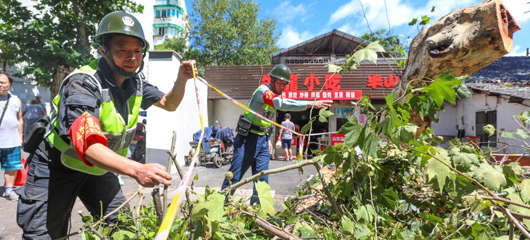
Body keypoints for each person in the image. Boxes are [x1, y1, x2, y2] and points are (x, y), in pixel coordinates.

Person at [16, 12, 196, 239]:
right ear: (103, 50)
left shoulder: (136, 82)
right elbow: (88, 145)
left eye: (137, 51)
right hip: (55, 167)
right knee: (43, 235)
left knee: (124, 229)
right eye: (122, 50)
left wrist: (181, 79)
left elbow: (168, 103)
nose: (132, 57)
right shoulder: (83, 83)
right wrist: (137, 169)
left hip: (99, 169)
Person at [221, 64, 332, 205]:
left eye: (285, 84)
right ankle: (221, 206)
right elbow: (279, 103)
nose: (282, 87)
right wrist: (310, 103)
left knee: (262, 180)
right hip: (247, 139)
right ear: (272, 80)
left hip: (262, 141)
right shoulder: (263, 91)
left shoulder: (274, 95)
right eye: (280, 83)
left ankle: (257, 213)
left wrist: (267, 139)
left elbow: (266, 120)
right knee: (234, 177)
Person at [0, 73, 23, 201]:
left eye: (3, 82)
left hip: (11, 140)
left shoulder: (16, 100)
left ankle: (9, 190)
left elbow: (19, 119)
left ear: (10, 84)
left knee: (11, 166)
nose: (0, 84)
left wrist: (20, 138)